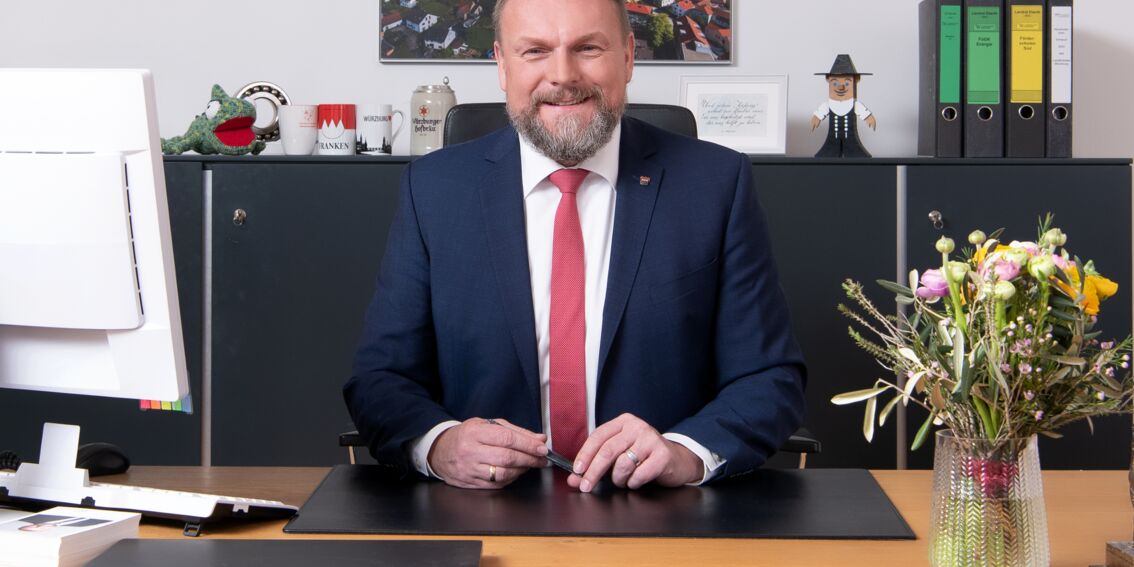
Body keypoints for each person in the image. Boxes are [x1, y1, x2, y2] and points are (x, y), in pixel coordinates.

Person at [344, 0, 805, 492]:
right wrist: (439, 445)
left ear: (627, 57)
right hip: (480, 508)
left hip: (658, 508)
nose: (563, 75)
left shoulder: (716, 184)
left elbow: (769, 378)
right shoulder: (434, 189)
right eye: (534, 51)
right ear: (501, 64)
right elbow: (381, 379)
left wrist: (684, 452)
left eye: (587, 48)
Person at [810, 54, 877, 158]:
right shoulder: (828, 104)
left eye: (847, 84)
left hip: (851, 137)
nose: (841, 87)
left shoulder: (854, 104)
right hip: (833, 137)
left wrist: (869, 118)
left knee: (854, 150)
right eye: (835, 83)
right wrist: (816, 118)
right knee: (829, 150)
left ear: (855, 81)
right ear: (828, 80)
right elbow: (820, 112)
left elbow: (863, 112)